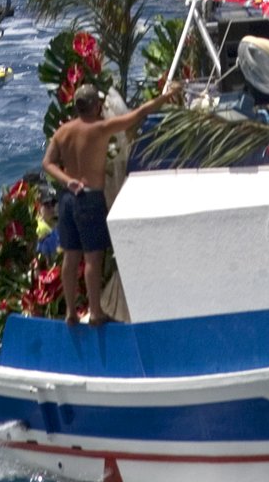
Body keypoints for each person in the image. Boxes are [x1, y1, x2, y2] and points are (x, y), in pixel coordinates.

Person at [41, 81, 178, 325]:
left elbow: (48, 163)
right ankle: (95, 311)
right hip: (90, 197)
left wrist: (68, 180)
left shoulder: (62, 132)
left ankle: (70, 312)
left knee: (70, 257)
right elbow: (140, 113)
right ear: (96, 106)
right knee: (93, 257)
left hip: (67, 199)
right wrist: (166, 96)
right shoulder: (102, 128)